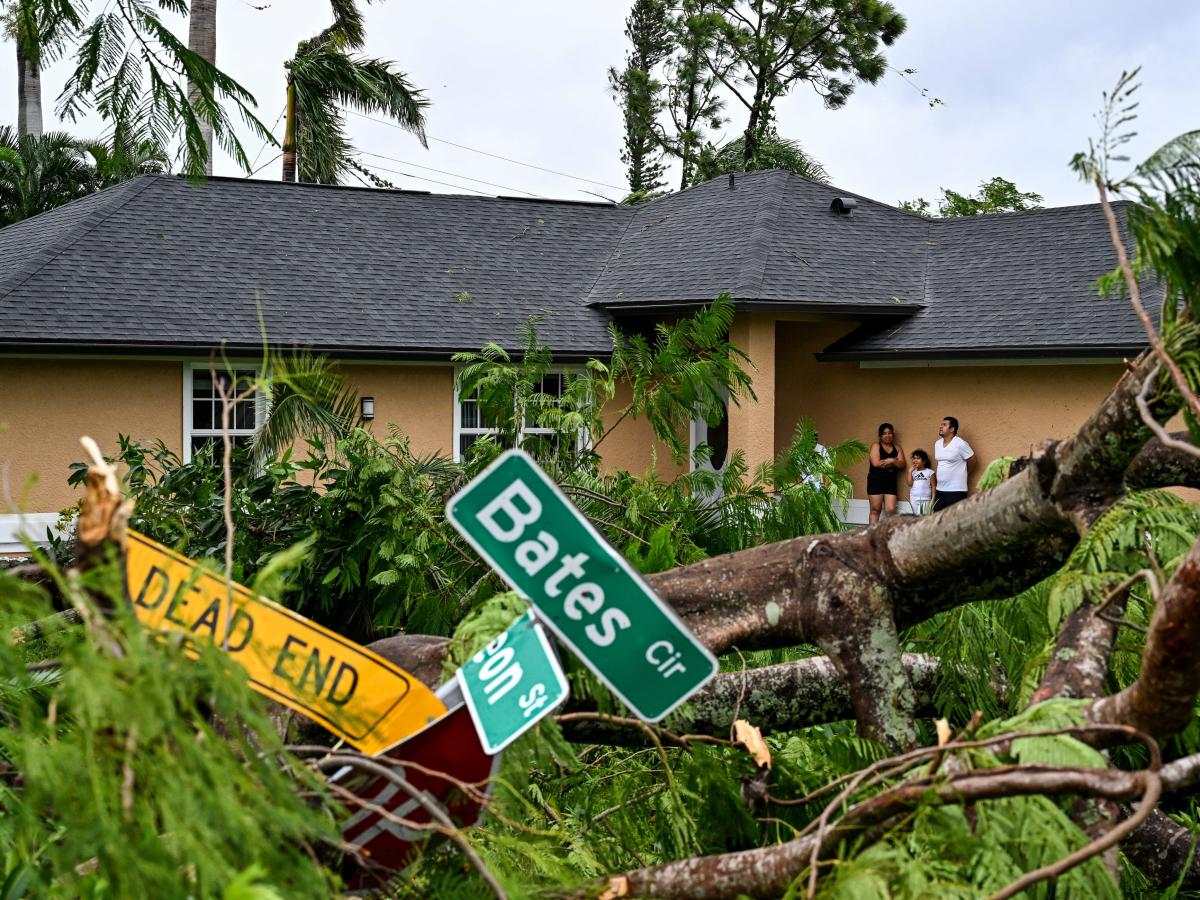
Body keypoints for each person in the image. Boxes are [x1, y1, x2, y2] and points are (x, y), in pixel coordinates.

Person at [933, 416, 974, 511]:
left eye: (944, 425)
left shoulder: (960, 444)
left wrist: (966, 473)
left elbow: (973, 460)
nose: (940, 426)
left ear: (952, 429)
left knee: (955, 521)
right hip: (940, 489)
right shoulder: (937, 444)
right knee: (938, 519)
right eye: (941, 424)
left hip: (956, 490)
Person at [867, 422, 905, 524]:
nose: (888, 435)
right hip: (876, 481)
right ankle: (872, 535)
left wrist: (892, 461)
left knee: (891, 510)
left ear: (893, 434)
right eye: (884, 433)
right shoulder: (875, 446)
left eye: (890, 433)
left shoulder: (897, 447)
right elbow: (875, 463)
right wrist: (894, 462)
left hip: (890, 482)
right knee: (875, 509)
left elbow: (902, 465)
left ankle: (888, 534)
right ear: (880, 436)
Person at [907, 449, 936, 515]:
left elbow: (933, 486)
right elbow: (909, 484)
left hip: (925, 499)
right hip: (914, 498)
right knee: (914, 517)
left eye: (918, 458)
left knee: (923, 517)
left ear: (924, 461)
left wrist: (933, 499)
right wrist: (909, 472)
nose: (915, 460)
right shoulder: (913, 472)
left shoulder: (930, 472)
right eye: (914, 458)